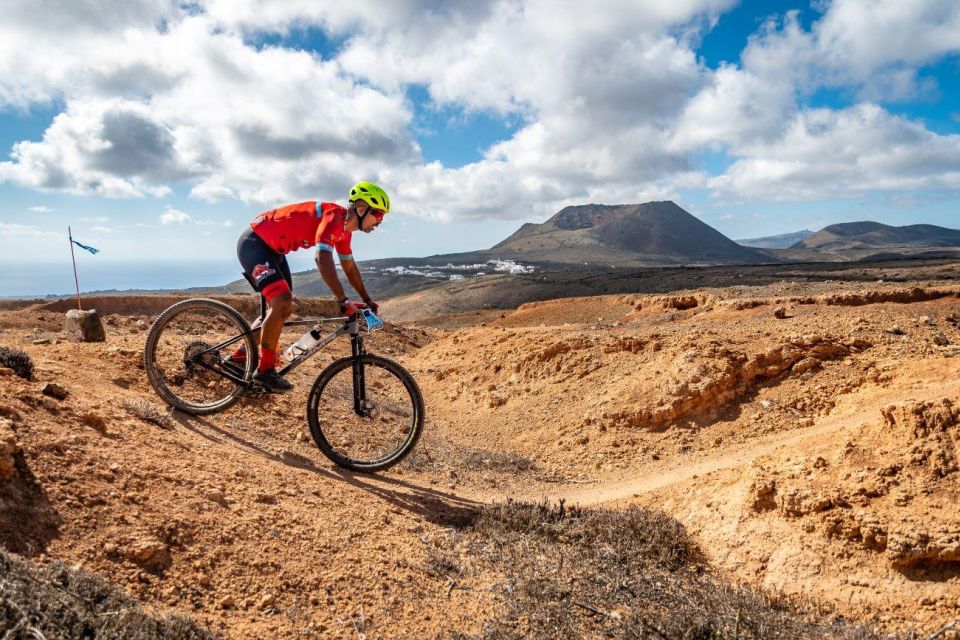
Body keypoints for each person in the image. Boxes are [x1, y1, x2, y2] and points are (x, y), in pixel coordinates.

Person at [233, 181, 390, 393]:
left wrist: (367, 298)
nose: (379, 222)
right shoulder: (334, 217)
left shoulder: (345, 232)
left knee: (279, 309)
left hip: (273, 250)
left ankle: (238, 357)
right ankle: (265, 370)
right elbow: (322, 258)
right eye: (378, 215)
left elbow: (349, 267)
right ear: (362, 209)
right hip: (255, 243)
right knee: (282, 303)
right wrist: (342, 300)